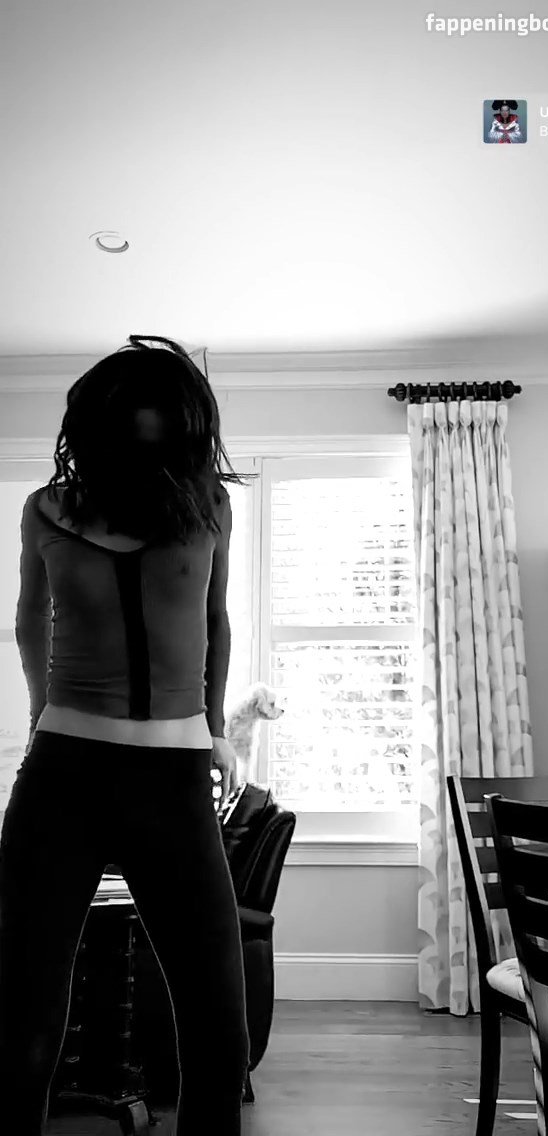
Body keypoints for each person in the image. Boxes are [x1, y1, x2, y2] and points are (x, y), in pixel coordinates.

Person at [0, 335, 256, 1136]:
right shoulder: (47, 508)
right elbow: (29, 622)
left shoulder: (209, 506)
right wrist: (43, 717)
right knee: (23, 1023)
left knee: (219, 1031)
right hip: (63, 774)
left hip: (174, 778)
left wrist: (216, 728)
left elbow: (215, 621)